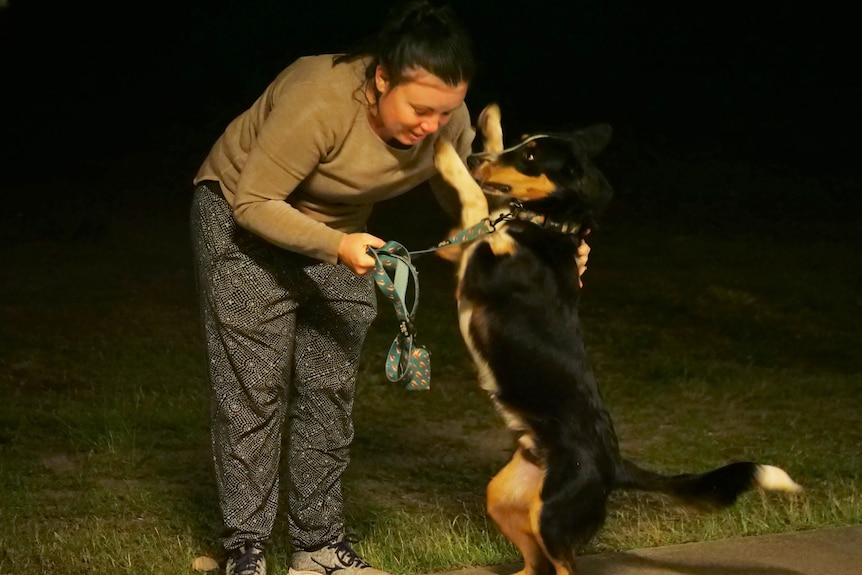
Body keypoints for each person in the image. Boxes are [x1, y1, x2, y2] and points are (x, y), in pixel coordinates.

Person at [190, 2, 590, 574]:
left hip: (343, 230)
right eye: (421, 108)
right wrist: (336, 246)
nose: (433, 125)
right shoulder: (319, 99)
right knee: (254, 390)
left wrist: (550, 249)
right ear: (382, 78)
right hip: (241, 215)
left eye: (446, 112)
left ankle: (319, 549)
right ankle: (244, 551)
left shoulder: (445, 119)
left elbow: (473, 210)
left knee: (327, 391)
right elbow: (255, 201)